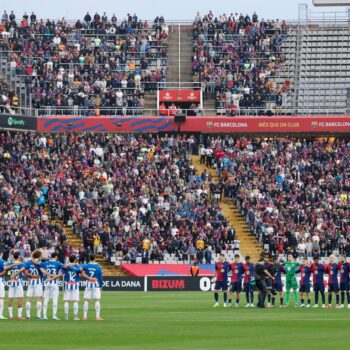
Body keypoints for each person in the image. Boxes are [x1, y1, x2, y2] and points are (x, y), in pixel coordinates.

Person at [12, 250, 43, 320]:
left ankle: (28, 316)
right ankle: (38, 316)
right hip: (38, 282)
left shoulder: (28, 263)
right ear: (38, 256)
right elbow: (41, 269)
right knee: (39, 298)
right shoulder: (40, 262)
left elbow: (24, 271)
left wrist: (15, 274)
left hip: (31, 282)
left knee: (29, 299)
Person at [63, 255, 92, 320]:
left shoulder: (66, 267)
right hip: (75, 285)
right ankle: (75, 317)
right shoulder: (78, 267)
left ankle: (66, 316)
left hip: (67, 284)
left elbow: (62, 273)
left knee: (66, 301)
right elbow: (82, 273)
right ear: (75, 260)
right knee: (75, 301)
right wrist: (89, 278)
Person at [40, 252, 64, 320]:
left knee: (46, 299)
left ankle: (44, 315)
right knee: (55, 299)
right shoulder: (58, 263)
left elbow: (41, 268)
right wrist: (56, 275)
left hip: (47, 282)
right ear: (56, 256)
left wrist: (47, 274)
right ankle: (54, 316)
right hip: (54, 283)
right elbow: (64, 268)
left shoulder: (46, 263)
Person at [82, 254, 104, 321]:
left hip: (88, 284)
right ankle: (97, 316)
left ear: (89, 258)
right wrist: (101, 286)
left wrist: (88, 277)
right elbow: (100, 278)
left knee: (86, 300)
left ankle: (85, 316)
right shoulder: (98, 267)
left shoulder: (86, 266)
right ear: (95, 258)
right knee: (97, 300)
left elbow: (81, 272)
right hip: (95, 284)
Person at [7, 252, 26, 320]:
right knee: (20, 299)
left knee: (10, 299)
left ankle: (10, 315)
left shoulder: (9, 263)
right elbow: (25, 272)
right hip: (18, 283)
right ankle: (19, 316)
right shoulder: (21, 264)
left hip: (11, 283)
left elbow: (6, 270)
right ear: (19, 256)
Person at [0, 252, 19, 319]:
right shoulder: (1, 261)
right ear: (1, 254)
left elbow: (7, 272)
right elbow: (5, 270)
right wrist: (13, 265)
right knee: (1, 298)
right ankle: (0, 315)